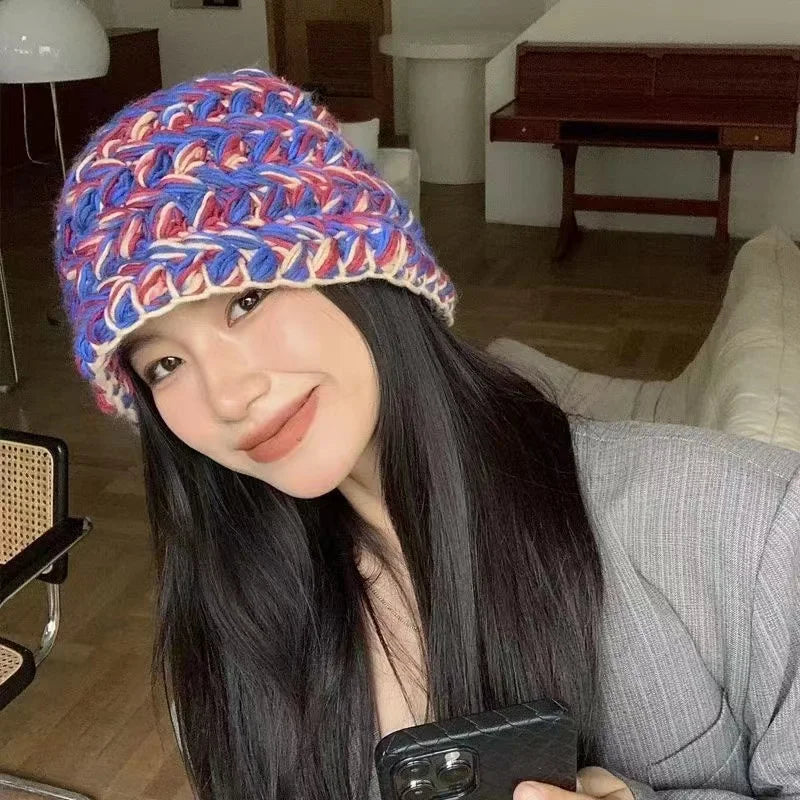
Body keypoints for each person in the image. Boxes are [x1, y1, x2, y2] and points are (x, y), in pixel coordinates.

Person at [53, 69, 799, 800]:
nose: (227, 395)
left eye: (246, 298)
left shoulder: (742, 520)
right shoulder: (227, 626)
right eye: (165, 364)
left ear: (368, 268)